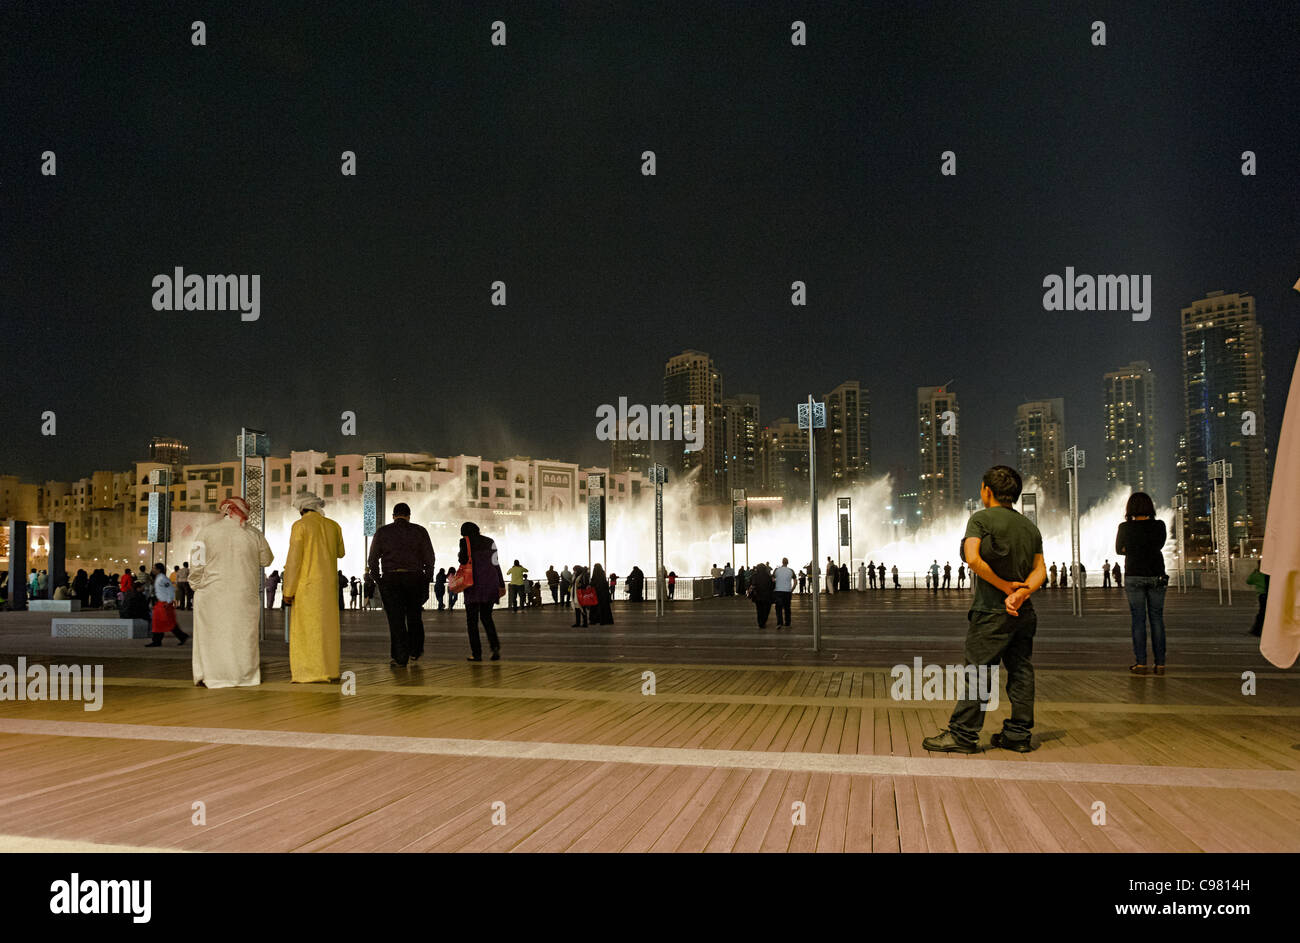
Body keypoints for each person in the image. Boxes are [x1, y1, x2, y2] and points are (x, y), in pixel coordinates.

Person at [923, 466, 1046, 754]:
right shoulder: (1030, 527)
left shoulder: (980, 520)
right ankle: (1018, 734)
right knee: (1021, 671)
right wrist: (1022, 593)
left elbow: (973, 559)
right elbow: (1040, 569)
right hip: (1024, 613)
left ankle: (963, 735)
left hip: (991, 611)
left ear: (986, 490)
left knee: (979, 672)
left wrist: (1005, 589)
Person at [190, 496, 274, 687]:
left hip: (212, 594)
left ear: (226, 510)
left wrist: (196, 585)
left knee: (212, 635)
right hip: (244, 595)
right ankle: (245, 677)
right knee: (243, 637)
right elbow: (267, 560)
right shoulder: (254, 534)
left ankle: (211, 676)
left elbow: (196, 564)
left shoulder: (206, 532)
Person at [283, 492, 345, 683]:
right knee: (327, 631)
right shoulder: (333, 525)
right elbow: (340, 553)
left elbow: (294, 561)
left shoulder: (300, 526)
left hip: (307, 587)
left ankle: (309, 672)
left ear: (302, 509)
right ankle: (330, 670)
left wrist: (288, 591)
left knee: (306, 630)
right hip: (328, 588)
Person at [368, 501, 435, 667]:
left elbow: (373, 559)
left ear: (393, 516)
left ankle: (400, 657)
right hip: (415, 578)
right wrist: (426, 579)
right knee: (414, 617)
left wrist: (379, 580)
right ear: (409, 516)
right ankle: (415, 651)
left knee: (396, 620)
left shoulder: (383, 532)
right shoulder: (420, 531)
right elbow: (430, 558)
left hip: (391, 579)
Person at [1116, 492, 1168, 675]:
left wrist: (1131, 548)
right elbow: (1159, 545)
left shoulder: (1124, 527)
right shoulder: (1159, 525)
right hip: (1156, 575)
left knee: (1138, 620)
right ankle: (1160, 664)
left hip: (1134, 575)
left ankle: (1141, 663)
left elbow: (1119, 550)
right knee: (1157, 619)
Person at [458, 521, 505, 661]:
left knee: (472, 621)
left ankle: (476, 653)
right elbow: (496, 563)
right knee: (486, 617)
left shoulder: (464, 541)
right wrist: (501, 584)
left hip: (473, 583)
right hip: (490, 582)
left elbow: (463, 560)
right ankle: (495, 647)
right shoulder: (490, 541)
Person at [145, 562, 189, 647]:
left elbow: (170, 589)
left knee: (163, 621)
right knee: (162, 621)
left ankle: (158, 641)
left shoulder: (162, 578)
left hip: (164, 603)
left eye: (154, 568)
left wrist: (168, 602)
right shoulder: (159, 578)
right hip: (162, 603)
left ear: (159, 569)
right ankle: (180, 636)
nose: (152, 569)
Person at [749, 562, 774, 627]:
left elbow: (751, 584)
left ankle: (760, 622)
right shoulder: (768, 576)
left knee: (759, 610)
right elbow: (772, 586)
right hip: (767, 596)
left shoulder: (754, 576)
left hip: (757, 596)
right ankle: (763, 621)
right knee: (766, 609)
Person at [1248, 561, 1269, 637]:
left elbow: (1249, 581)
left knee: (1262, 613)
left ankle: (1256, 630)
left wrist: (1254, 571)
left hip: (1262, 595)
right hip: (1268, 594)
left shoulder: (1257, 574)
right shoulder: (1269, 573)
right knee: (1265, 613)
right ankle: (1258, 630)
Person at [773, 557, 795, 628]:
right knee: (787, 608)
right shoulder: (791, 570)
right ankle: (787, 623)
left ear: (782, 562)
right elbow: (795, 581)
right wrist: (792, 589)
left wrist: (776, 584)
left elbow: (772, 579)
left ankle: (779, 622)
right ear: (787, 563)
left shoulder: (776, 570)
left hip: (778, 591)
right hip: (787, 592)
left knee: (778, 608)